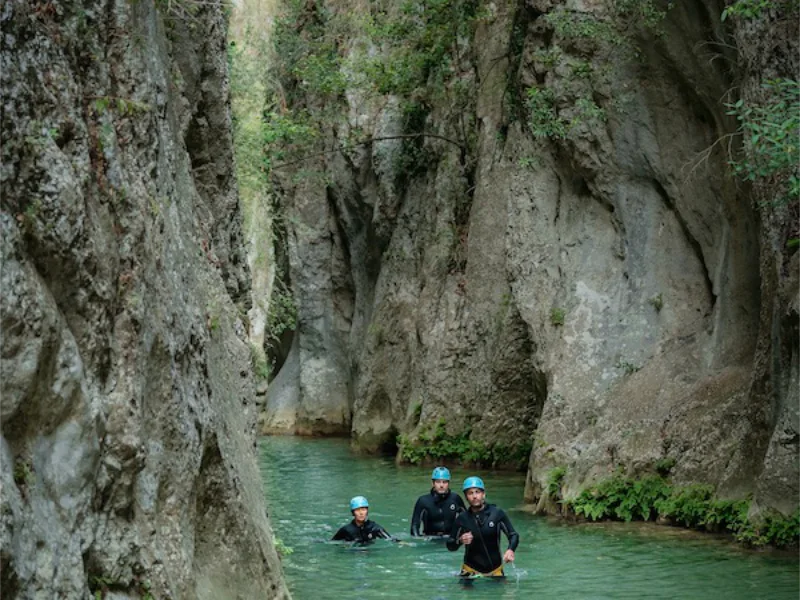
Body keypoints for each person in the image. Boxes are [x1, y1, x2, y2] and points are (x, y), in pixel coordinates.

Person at [446, 476, 519, 578]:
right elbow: (450, 545)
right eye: (470, 493)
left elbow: (513, 535)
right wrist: (460, 541)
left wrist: (510, 550)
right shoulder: (462, 519)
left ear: (483, 494)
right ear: (466, 497)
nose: (474, 496)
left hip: (495, 570)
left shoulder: (497, 513)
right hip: (470, 570)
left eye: (477, 492)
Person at [410, 466, 465, 537]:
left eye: (444, 482)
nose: (441, 485)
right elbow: (414, 526)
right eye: (438, 482)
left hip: (449, 538)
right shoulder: (423, 501)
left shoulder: (455, 498)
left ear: (448, 483)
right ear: (433, 483)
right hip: (430, 539)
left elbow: (467, 520)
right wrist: (417, 540)